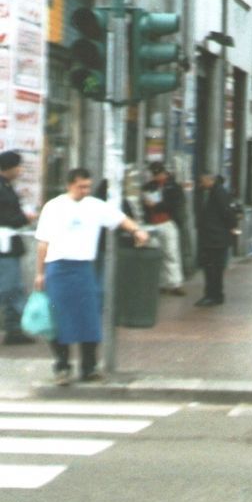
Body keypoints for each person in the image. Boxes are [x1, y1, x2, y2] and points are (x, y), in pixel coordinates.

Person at [34, 167, 150, 385]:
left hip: (83, 269)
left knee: (88, 319)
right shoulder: (54, 207)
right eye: (81, 186)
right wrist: (39, 274)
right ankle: (62, 367)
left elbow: (121, 219)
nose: (85, 190)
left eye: (88, 186)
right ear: (70, 185)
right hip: (57, 268)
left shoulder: (95, 206)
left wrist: (137, 231)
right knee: (59, 321)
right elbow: (43, 243)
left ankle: (89, 367)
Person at [0, 150, 35, 345]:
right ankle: (19, 324)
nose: (21, 170)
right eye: (18, 166)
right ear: (10, 167)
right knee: (10, 287)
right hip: (4, 244)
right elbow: (5, 216)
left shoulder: (7, 186)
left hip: (10, 244)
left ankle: (14, 329)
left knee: (13, 286)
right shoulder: (2, 188)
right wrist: (24, 218)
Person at [193, 170, 239, 307]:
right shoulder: (211, 192)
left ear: (209, 180)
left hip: (216, 237)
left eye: (203, 181)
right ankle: (215, 294)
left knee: (213, 268)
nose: (201, 184)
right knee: (213, 268)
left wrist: (232, 226)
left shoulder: (218, 192)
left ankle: (213, 295)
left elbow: (227, 212)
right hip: (212, 236)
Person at [142, 161, 187, 295]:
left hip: (168, 222)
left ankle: (175, 283)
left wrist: (155, 206)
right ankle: (161, 283)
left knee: (171, 253)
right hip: (153, 223)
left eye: (158, 174)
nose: (156, 177)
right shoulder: (149, 186)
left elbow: (173, 205)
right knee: (158, 252)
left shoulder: (173, 187)